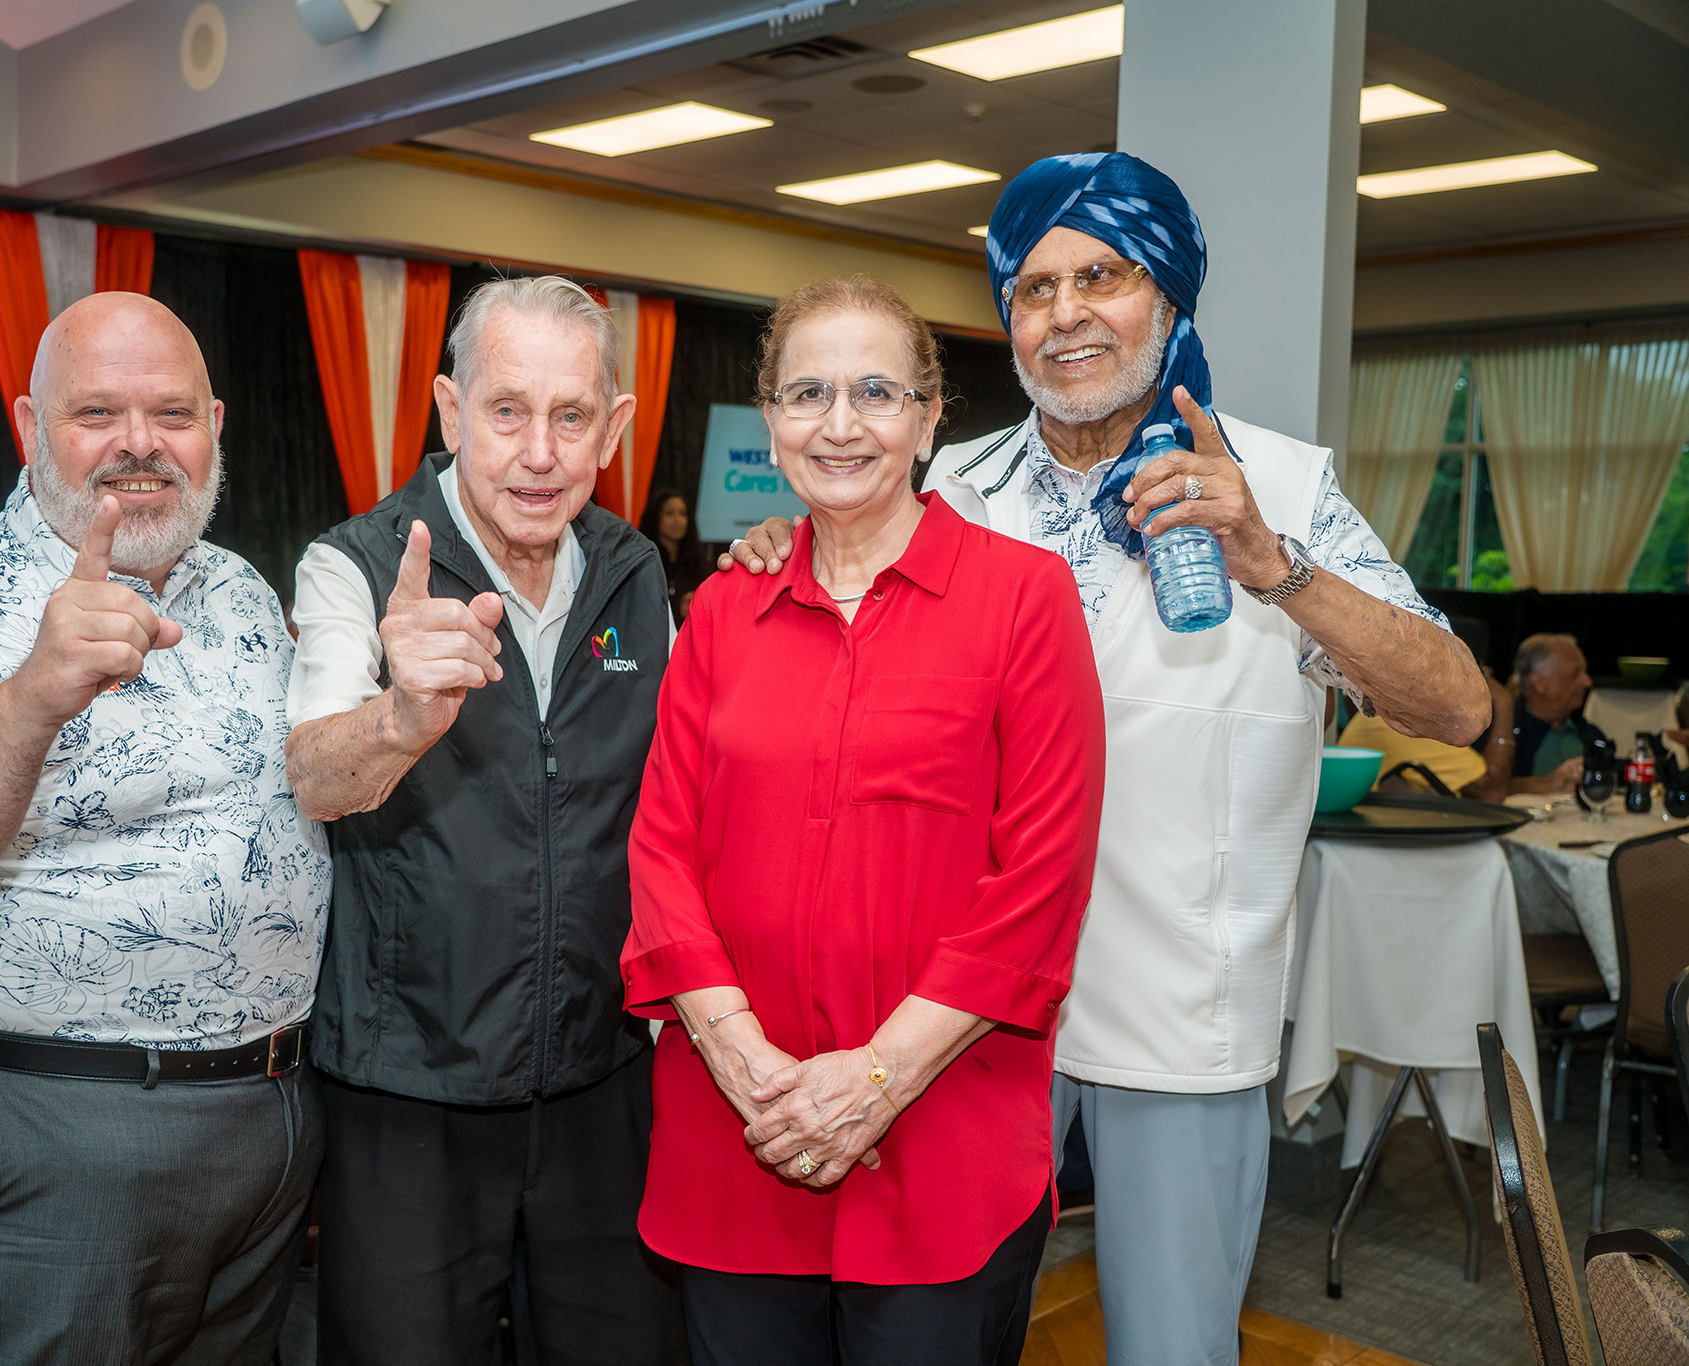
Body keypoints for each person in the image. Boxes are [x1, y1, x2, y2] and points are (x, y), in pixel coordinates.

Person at [725, 154, 1491, 1365]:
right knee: (933, 1332)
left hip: (1171, 1018)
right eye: (1033, 288)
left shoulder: (1278, 486)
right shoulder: (945, 487)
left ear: (1168, 297)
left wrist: (1272, 565)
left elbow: (1456, 707)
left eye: (1102, 276)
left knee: (1168, 1348)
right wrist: (782, 543)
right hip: (946, 1020)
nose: (1066, 312)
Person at [0, 293, 330, 1364]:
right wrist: (30, 699)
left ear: (215, 427)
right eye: (96, 412)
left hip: (259, 1123)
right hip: (39, 1138)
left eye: (172, 413)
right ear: (29, 427)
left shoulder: (238, 589)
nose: (140, 443)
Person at [622, 275, 1103, 1365]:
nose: (840, 424)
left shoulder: (1024, 601)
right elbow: (660, 848)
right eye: (808, 394)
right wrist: (738, 1055)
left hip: (942, 1138)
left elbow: (1040, 883)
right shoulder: (722, 610)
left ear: (929, 422)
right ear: (772, 421)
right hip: (739, 1126)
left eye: (876, 393)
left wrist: (875, 1077)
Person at [282, 275, 679, 1366]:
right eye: (507, 412)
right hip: (409, 1097)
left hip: (602, 1082)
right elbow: (313, 778)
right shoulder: (357, 565)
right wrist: (399, 717)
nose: (538, 454)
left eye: (570, 416)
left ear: (614, 427)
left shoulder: (636, 573)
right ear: (452, 411)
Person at [1344, 615, 1516, 800]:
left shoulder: (1404, 706)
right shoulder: (1402, 714)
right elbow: (1490, 792)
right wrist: (1504, 703)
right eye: (1482, 672)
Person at [1510, 632, 1609, 788]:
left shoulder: (1591, 735)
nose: (1587, 682)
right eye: (1575, 674)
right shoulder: (1504, 733)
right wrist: (1545, 784)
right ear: (1540, 683)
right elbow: (1483, 791)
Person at [640, 486, 711, 625]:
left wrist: (696, 601)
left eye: (682, 513)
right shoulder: (643, 560)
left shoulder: (697, 561)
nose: (677, 520)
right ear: (655, 517)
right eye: (669, 513)